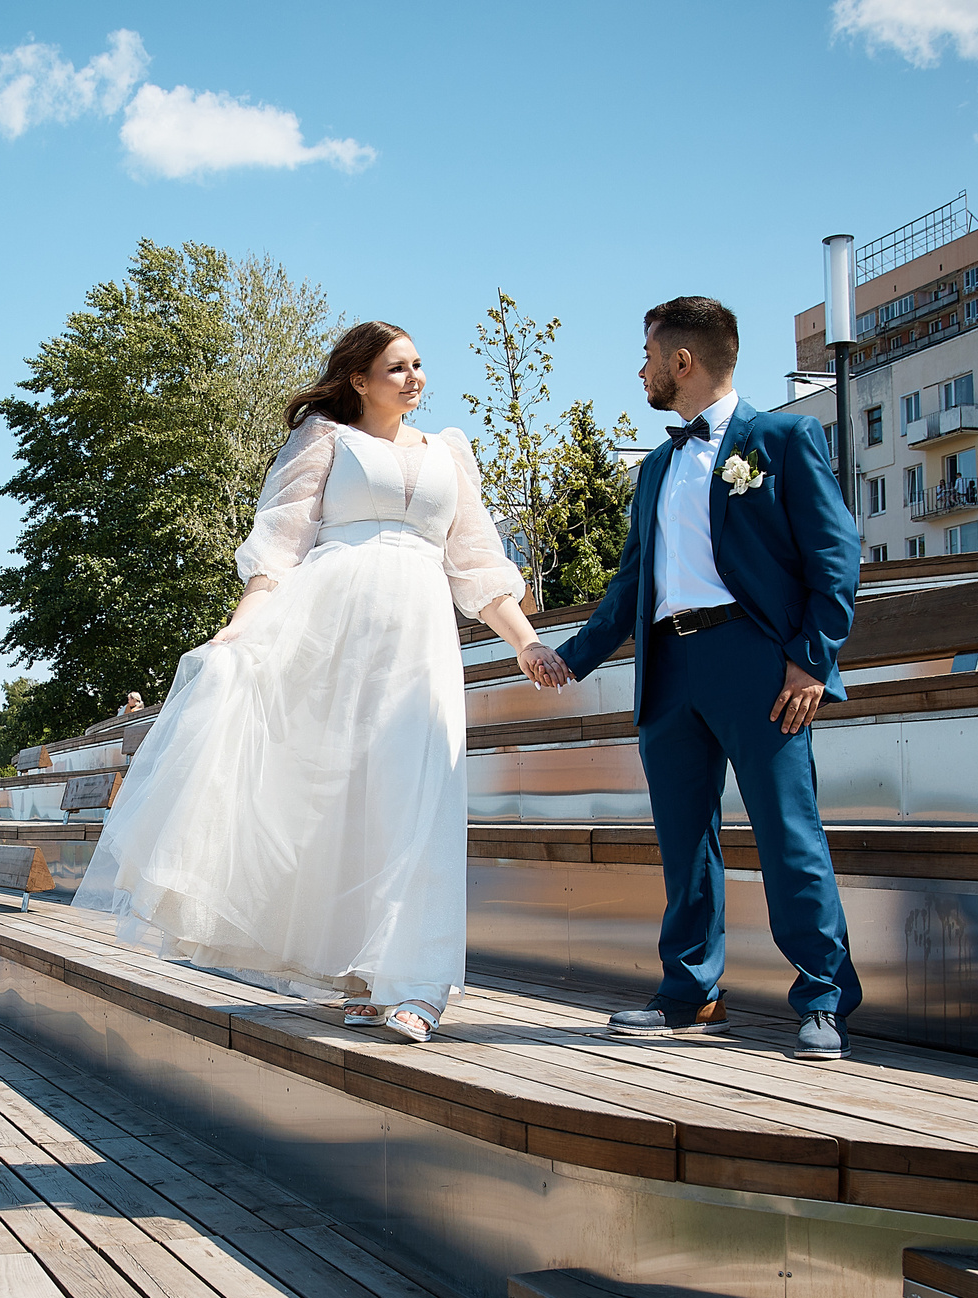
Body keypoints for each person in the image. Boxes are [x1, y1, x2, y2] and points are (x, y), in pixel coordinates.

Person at [76, 322, 562, 1043]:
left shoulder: (448, 453)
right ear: (359, 379)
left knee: (420, 791)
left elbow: (477, 564)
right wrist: (241, 625)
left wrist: (525, 641)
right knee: (348, 802)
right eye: (397, 367)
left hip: (419, 637)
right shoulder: (325, 440)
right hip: (333, 635)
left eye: (419, 364)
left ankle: (418, 983)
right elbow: (279, 546)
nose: (414, 378)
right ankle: (362, 973)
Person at [538, 297, 863, 1059]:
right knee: (685, 842)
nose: (641, 368)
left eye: (648, 353)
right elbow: (628, 588)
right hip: (670, 669)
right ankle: (689, 991)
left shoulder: (782, 437)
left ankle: (822, 998)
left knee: (789, 834)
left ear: (683, 361)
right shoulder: (654, 466)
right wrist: (572, 657)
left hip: (756, 664)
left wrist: (810, 659)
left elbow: (836, 557)